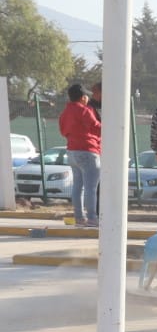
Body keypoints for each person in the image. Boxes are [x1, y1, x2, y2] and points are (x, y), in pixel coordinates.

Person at [58, 83, 102, 229]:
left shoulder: (65, 112)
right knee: (91, 187)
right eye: (87, 96)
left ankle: (79, 218)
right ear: (83, 97)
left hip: (72, 151)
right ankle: (92, 218)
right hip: (88, 150)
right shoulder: (84, 110)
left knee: (78, 187)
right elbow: (97, 127)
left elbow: (63, 131)